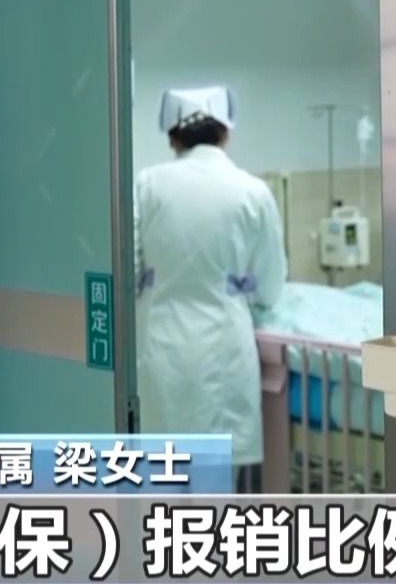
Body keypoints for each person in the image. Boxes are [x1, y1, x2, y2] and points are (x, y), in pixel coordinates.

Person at [134, 86, 287, 493]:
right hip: (224, 350)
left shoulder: (146, 186)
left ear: (172, 136)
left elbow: (129, 270)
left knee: (162, 478)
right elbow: (271, 283)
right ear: (226, 133)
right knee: (214, 492)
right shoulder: (251, 191)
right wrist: (248, 292)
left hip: (161, 348)